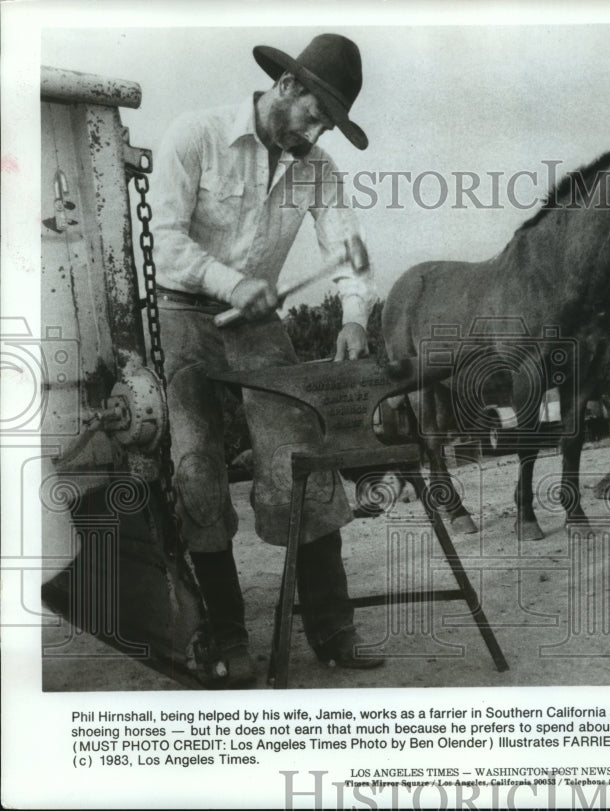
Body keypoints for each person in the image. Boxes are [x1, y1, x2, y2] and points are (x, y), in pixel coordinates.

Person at [149, 33, 381, 686]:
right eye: (315, 114)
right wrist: (229, 281)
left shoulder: (319, 168)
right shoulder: (194, 135)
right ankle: (226, 635)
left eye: (330, 125)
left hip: (255, 324)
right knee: (196, 463)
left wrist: (355, 315)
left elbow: (350, 248)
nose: (317, 133)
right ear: (285, 88)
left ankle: (333, 630)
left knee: (299, 450)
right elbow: (165, 244)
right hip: (185, 311)